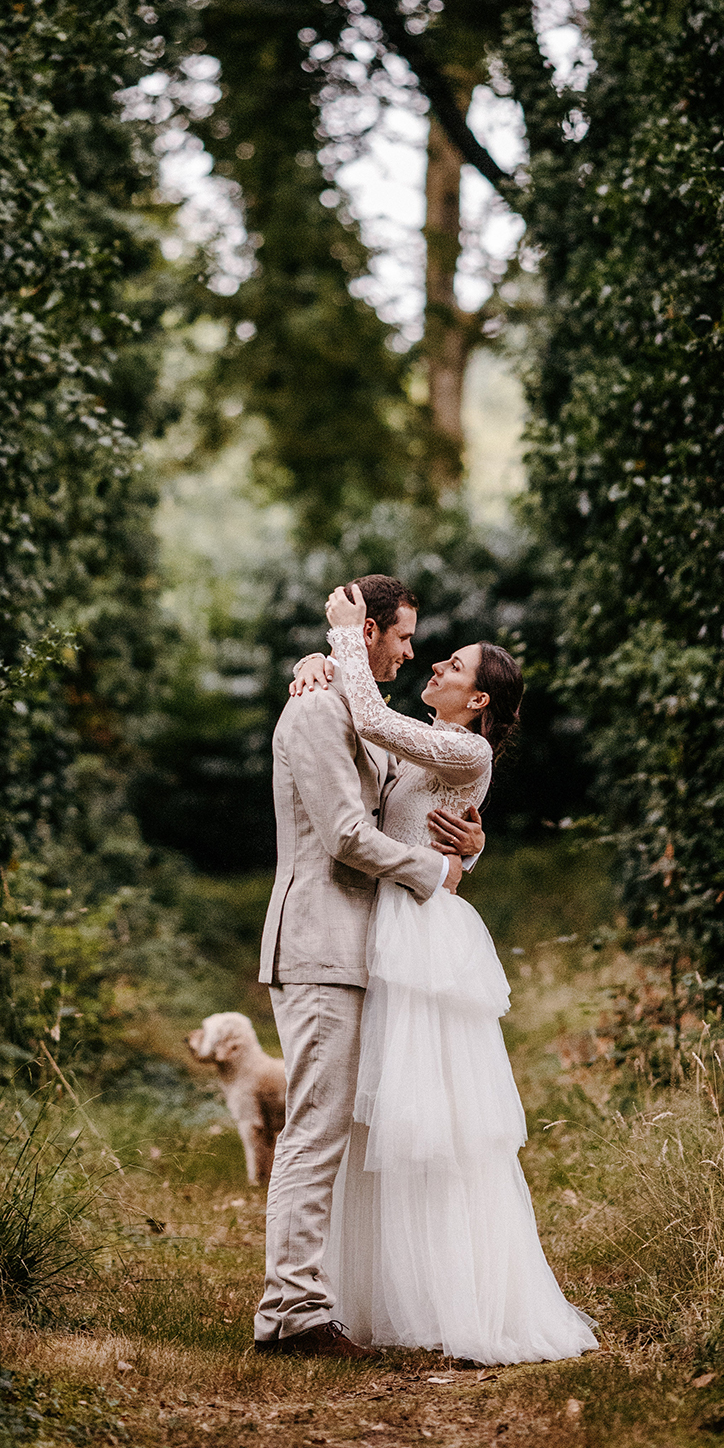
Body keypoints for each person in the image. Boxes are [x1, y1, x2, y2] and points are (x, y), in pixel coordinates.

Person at [288, 583, 598, 1366]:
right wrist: (312, 664)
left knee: (433, 1124)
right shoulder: (430, 738)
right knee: (383, 1122)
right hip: (387, 926)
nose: (432, 664)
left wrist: (341, 639)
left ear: (478, 697)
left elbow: (372, 721)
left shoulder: (466, 747)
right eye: (431, 651)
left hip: (419, 933)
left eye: (452, 664)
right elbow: (368, 750)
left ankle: (461, 1294)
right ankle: (383, 1291)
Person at [253, 573, 485, 1360]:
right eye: (405, 637)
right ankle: (289, 1313)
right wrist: (435, 876)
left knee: (334, 1127)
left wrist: (464, 851)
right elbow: (348, 835)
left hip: (360, 948)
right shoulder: (319, 709)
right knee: (315, 1129)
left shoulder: (353, 708)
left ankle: (314, 1301)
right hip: (319, 942)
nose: (413, 653)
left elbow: (410, 808)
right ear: (370, 633)